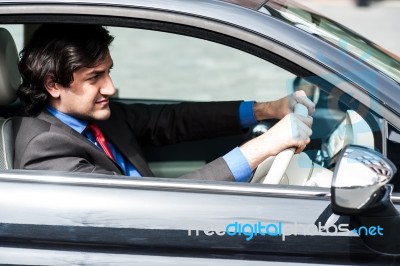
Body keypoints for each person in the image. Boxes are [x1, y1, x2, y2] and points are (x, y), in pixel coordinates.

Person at [13, 23, 314, 182]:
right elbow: (136, 207)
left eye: (110, 72)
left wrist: (267, 109)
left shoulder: (93, 116)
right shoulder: (45, 148)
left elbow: (172, 120)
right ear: (53, 84)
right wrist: (264, 146)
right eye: (95, 78)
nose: (112, 88)